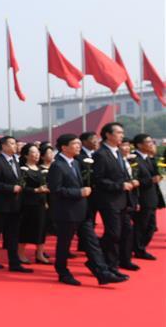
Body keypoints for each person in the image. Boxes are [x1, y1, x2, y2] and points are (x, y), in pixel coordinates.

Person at [46, 133, 121, 286]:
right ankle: (63, 272)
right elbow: (55, 190)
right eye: (75, 144)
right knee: (64, 244)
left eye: (79, 144)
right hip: (66, 212)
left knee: (92, 242)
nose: (78, 147)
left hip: (82, 211)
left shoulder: (75, 163)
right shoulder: (57, 165)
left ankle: (102, 272)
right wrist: (78, 192)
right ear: (64, 147)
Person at [92, 122, 137, 277]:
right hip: (109, 200)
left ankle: (111, 261)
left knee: (126, 231)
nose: (121, 136)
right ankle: (106, 264)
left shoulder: (117, 152)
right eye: (118, 132)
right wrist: (120, 185)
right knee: (113, 234)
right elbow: (98, 179)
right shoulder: (100, 154)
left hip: (123, 200)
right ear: (108, 135)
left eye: (122, 133)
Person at [0, 136, 32, 273]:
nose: (15, 146)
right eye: (11, 143)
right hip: (1, 205)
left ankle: (14, 263)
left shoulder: (15, 161)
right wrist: (10, 188)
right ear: (3, 146)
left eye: (15, 143)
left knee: (13, 235)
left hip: (15, 205)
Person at [17, 144, 50, 265]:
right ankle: (21, 253)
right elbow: (21, 188)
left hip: (41, 203)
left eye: (37, 152)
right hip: (28, 204)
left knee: (42, 228)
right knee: (25, 228)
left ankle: (40, 253)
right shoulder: (23, 170)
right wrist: (36, 190)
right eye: (33, 152)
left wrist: (46, 199)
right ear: (26, 155)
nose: (36, 155)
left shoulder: (41, 170)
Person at [131, 133, 159, 260]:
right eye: (148, 142)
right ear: (139, 145)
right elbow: (133, 180)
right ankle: (138, 249)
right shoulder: (134, 159)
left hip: (151, 197)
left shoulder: (148, 158)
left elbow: (156, 173)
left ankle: (139, 247)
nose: (151, 144)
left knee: (151, 226)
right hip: (141, 197)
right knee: (141, 225)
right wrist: (150, 180)